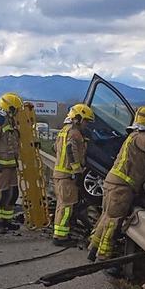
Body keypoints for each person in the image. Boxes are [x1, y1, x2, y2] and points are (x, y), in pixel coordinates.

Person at [88, 107, 145, 261]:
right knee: (114, 221)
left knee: (107, 217)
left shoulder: (133, 136)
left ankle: (93, 249)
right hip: (122, 187)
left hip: (112, 183)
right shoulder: (142, 137)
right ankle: (104, 257)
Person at [52, 103, 94, 246]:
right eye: (86, 121)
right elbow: (71, 150)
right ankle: (60, 237)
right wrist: (77, 170)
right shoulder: (74, 133)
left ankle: (60, 233)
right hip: (67, 176)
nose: (86, 125)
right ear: (78, 118)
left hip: (59, 174)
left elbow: (54, 148)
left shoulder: (63, 130)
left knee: (62, 205)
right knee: (67, 207)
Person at [0, 92, 22, 233]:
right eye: (16, 109)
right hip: (2, 167)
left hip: (11, 166)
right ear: (10, 108)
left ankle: (7, 220)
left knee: (12, 194)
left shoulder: (10, 123)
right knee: (1, 194)